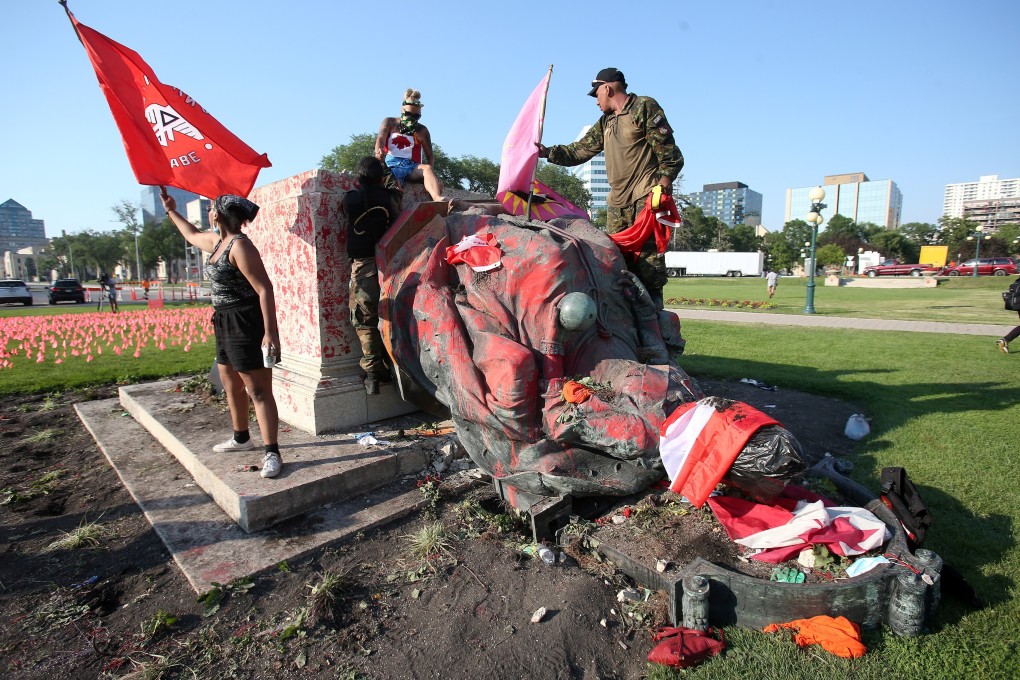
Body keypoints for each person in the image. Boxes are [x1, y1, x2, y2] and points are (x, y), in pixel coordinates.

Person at [160, 188, 284, 479]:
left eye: (211, 209)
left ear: (217, 214)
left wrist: (270, 333)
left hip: (245, 321)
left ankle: (272, 453)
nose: (208, 213)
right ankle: (241, 437)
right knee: (231, 384)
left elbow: (264, 289)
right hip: (223, 321)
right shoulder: (218, 242)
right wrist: (170, 210)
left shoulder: (240, 246)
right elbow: (190, 234)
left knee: (259, 390)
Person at [538, 68, 683, 308]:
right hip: (617, 204)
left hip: (644, 197)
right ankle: (623, 327)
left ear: (607, 88)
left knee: (648, 269)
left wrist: (665, 181)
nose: (596, 101)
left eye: (596, 94)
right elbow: (580, 150)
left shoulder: (643, 107)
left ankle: (657, 330)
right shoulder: (607, 121)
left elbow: (670, 153)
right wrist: (547, 152)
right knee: (615, 265)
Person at [343, 157, 403, 394]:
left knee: (365, 321)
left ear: (358, 179)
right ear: (380, 177)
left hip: (364, 267)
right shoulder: (390, 198)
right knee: (392, 318)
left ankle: (373, 375)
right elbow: (397, 193)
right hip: (392, 267)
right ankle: (397, 371)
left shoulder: (351, 200)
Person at [374, 88, 445, 202]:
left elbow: (430, 157)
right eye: (408, 114)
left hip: (411, 166)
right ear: (402, 110)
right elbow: (380, 139)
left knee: (427, 169)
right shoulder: (390, 122)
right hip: (391, 164)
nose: (411, 118)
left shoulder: (422, 130)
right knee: (390, 186)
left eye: (416, 116)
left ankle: (437, 198)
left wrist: (434, 177)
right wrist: (379, 152)